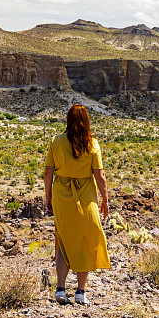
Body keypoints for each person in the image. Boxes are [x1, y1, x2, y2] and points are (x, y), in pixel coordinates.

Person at [44, 104, 111, 305]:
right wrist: (105, 200)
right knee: (84, 241)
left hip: (61, 195)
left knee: (64, 242)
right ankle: (80, 292)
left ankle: (60, 289)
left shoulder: (57, 141)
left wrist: (48, 197)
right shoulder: (92, 144)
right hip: (86, 197)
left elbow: (48, 172)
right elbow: (99, 175)